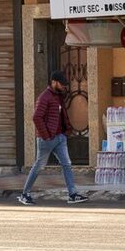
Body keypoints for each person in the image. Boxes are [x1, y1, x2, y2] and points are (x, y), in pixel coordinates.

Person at [18, 71, 89, 205]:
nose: (64, 87)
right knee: (39, 166)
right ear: (54, 82)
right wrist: (46, 136)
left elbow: (62, 115)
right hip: (47, 139)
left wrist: (65, 131)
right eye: (62, 84)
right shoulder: (44, 97)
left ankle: (72, 194)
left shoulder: (58, 96)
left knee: (67, 164)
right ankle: (25, 194)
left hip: (60, 138)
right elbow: (36, 117)